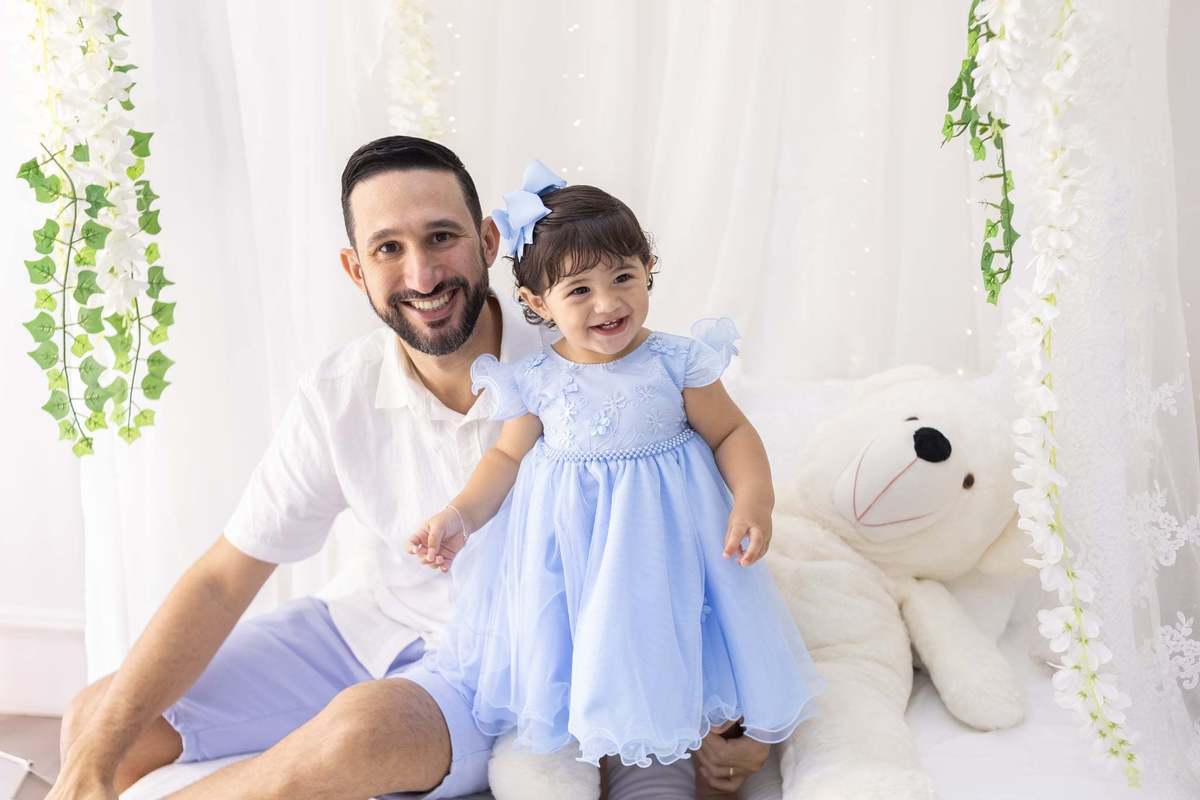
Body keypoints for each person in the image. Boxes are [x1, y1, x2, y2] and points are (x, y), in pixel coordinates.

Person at [48, 137, 777, 800]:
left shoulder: (587, 350)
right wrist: (91, 761)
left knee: (357, 732)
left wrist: (729, 711)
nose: (422, 272)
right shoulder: (341, 391)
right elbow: (221, 577)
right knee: (100, 721)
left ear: (489, 241)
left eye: (441, 238)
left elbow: (691, 509)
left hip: (490, 672)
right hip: (356, 628)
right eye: (388, 248)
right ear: (355, 268)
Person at [409, 161, 823, 797]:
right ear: (536, 302)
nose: (608, 303)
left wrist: (753, 501)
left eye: (624, 277)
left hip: (666, 553)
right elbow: (505, 461)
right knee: (581, 651)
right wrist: (459, 516)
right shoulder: (538, 380)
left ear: (648, 271)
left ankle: (677, 754)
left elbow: (732, 434)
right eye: (578, 290)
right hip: (574, 562)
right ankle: (588, 752)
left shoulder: (676, 362)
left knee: (669, 648)